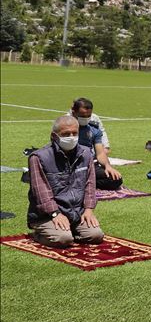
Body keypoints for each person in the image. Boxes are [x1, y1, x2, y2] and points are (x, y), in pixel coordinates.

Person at [27, 115, 104, 247]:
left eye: (74, 133)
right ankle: (39, 234)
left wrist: (88, 210)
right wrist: (55, 213)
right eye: (66, 134)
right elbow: (41, 193)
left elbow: (90, 184)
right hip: (47, 215)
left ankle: (69, 229)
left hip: (76, 213)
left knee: (96, 235)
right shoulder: (39, 157)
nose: (71, 137)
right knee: (63, 239)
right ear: (54, 136)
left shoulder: (85, 154)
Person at [69, 98, 122, 190]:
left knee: (115, 179)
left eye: (88, 116)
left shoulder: (94, 130)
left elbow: (100, 153)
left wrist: (108, 166)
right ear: (74, 113)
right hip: (69, 165)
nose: (85, 119)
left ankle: (84, 183)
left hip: (89, 165)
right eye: (82, 116)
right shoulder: (65, 128)